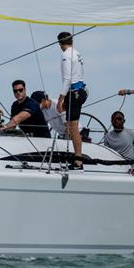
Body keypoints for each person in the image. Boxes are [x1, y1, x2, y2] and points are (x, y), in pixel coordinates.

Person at [56, 32, 87, 170]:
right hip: (80, 91)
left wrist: (60, 99)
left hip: (73, 93)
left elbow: (67, 79)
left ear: (60, 43)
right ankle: (77, 157)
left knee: (73, 128)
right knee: (70, 126)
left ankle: (78, 161)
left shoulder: (66, 55)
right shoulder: (77, 53)